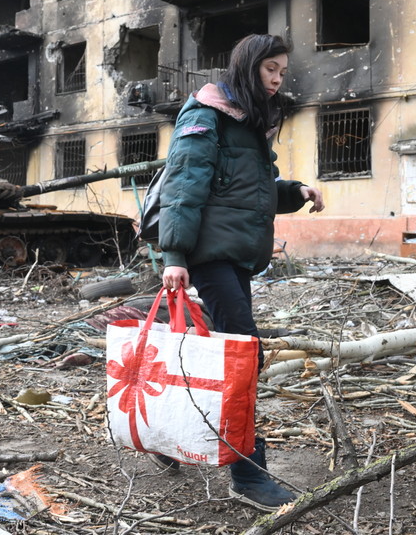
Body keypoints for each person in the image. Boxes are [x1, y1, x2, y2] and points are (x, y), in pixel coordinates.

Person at [154, 33, 325, 510]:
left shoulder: (249, 122)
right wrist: (175, 258)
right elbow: (184, 187)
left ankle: (168, 434)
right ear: (248, 67)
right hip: (208, 255)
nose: (277, 79)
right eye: (270, 69)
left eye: (282, 72)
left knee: (225, 355)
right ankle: (247, 475)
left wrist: (296, 192)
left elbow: (253, 187)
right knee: (244, 355)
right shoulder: (207, 114)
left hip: (237, 256)